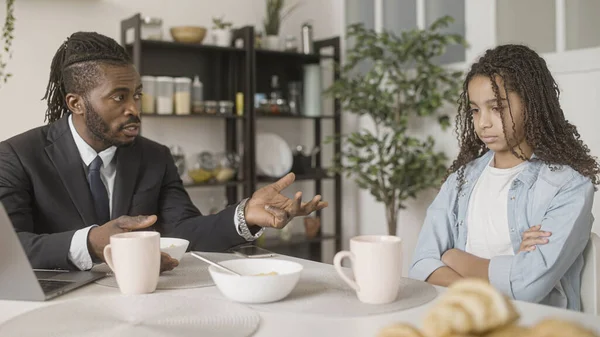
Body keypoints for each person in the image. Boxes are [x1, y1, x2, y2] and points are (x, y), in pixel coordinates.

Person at [0, 32, 327, 273]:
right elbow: (9, 253)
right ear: (76, 103)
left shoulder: (155, 157)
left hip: (143, 305)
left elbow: (183, 231)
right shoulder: (16, 156)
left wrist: (244, 216)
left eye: (137, 95)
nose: (134, 109)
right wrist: (91, 243)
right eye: (119, 97)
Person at [409, 44, 599, 311]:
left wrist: (454, 258)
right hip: (464, 319)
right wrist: (506, 270)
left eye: (496, 107)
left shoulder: (568, 188)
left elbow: (527, 288)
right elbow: (421, 265)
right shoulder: (460, 181)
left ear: (531, 105)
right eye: (475, 110)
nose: (483, 122)